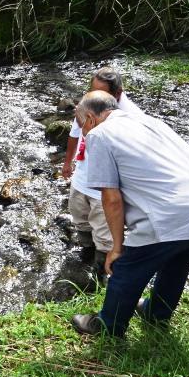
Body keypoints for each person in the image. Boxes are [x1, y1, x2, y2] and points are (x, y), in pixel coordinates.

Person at [69, 91, 189, 337]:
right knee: (177, 263)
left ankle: (108, 326)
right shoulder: (148, 120)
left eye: (79, 122)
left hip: (174, 213)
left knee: (126, 268)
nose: (81, 130)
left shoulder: (99, 135)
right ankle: (157, 314)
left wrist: (117, 247)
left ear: (90, 119)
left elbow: (111, 198)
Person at [61, 67, 144, 277]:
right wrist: (67, 163)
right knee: (81, 221)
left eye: (102, 92)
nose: (93, 95)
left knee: (105, 239)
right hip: (81, 180)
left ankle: (100, 275)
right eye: (92, 90)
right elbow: (74, 134)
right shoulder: (90, 104)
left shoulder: (131, 119)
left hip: (104, 192)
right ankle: (86, 254)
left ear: (117, 94)